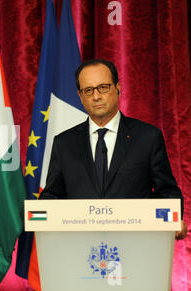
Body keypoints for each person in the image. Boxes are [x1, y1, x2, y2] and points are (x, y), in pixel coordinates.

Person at [39, 58, 187, 240]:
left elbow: (167, 192)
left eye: (103, 87)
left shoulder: (148, 137)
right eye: (88, 90)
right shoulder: (64, 143)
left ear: (117, 88)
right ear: (80, 97)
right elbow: (52, 197)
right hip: (80, 249)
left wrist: (172, 220)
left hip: (136, 247)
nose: (96, 96)